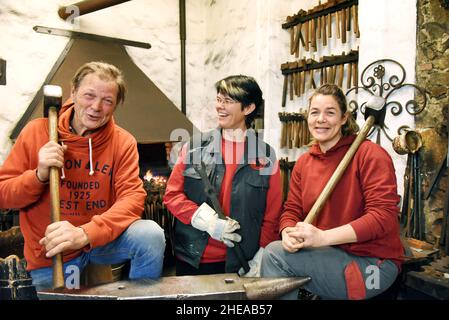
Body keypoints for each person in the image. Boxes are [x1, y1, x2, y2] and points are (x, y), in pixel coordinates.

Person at [0, 61, 165, 290]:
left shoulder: (122, 141)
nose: (96, 107)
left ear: (115, 105)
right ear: (73, 92)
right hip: (55, 253)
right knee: (68, 295)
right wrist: (39, 175)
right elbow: (4, 195)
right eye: (89, 95)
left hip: (98, 243)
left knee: (150, 235)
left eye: (107, 100)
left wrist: (85, 233)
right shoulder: (36, 132)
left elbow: (132, 198)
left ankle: (140, 298)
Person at [261, 84, 404, 300]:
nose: (321, 119)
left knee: (273, 255)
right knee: (279, 248)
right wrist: (287, 232)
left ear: (344, 118)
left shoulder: (370, 154)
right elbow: (292, 209)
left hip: (373, 266)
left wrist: (322, 237)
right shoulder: (304, 162)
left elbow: (382, 217)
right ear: (307, 117)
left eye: (330, 112)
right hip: (331, 255)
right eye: (315, 112)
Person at [163, 75, 282, 276]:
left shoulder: (265, 155)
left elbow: (272, 214)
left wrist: (263, 253)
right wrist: (207, 221)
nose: (220, 106)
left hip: (241, 261)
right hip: (192, 258)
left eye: (228, 101)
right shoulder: (194, 147)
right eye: (219, 99)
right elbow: (172, 195)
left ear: (248, 108)